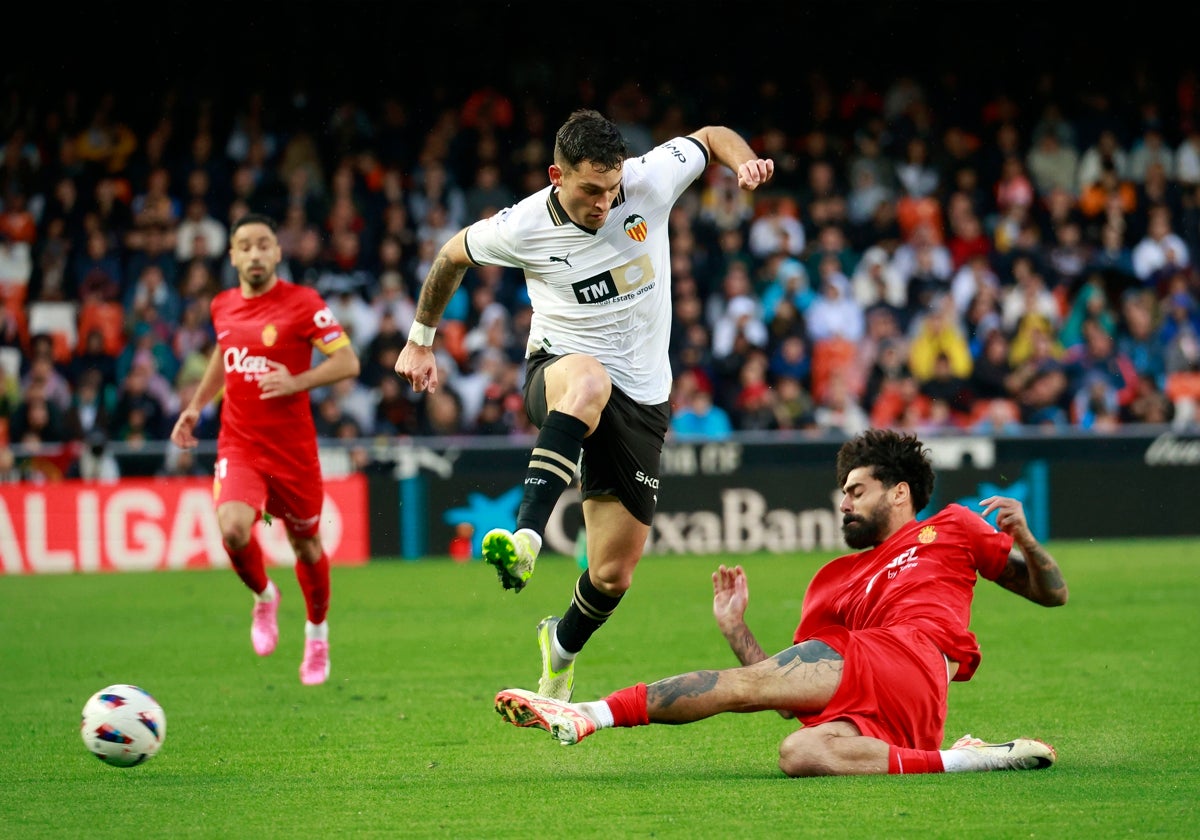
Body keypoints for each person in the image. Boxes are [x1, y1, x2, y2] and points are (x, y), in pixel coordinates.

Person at [394, 109, 774, 700]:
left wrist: (742, 158)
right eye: (590, 190)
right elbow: (450, 256)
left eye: (612, 189)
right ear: (556, 175)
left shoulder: (648, 179)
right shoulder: (520, 226)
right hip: (560, 372)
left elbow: (710, 135)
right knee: (590, 382)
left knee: (612, 574)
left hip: (644, 399)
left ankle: (561, 646)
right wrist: (420, 340)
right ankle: (525, 540)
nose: (604, 202)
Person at [494, 429, 1069, 777]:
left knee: (747, 689)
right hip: (901, 710)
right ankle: (965, 759)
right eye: (841, 492)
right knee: (799, 752)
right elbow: (790, 693)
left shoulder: (951, 527)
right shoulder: (833, 581)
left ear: (900, 493)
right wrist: (736, 629)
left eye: (856, 490)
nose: (843, 502)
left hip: (914, 656)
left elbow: (1052, 594)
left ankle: (591, 714)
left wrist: (1027, 542)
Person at [169, 213, 361, 686]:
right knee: (233, 530)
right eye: (245, 246)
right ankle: (263, 597)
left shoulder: (303, 303)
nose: (255, 254)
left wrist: (298, 380)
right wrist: (196, 405)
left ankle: (317, 634)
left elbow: (348, 362)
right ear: (232, 255)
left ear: (278, 252)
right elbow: (223, 352)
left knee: (307, 545)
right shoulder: (223, 305)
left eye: (263, 245)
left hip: (293, 452)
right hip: (240, 442)